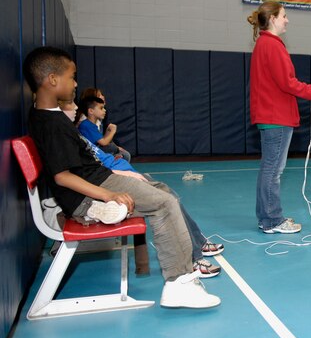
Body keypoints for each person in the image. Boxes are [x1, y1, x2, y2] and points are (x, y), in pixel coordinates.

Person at [24, 46, 220, 309]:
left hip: (101, 178)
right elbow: (62, 177)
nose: (75, 83)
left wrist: (116, 173)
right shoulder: (50, 124)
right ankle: (178, 283)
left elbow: (81, 164)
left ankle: (188, 263)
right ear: (52, 79)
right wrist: (110, 195)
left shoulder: (50, 117)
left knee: (163, 190)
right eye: (72, 77)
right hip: (92, 192)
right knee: (164, 204)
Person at [60, 99, 224, 278]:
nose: (76, 107)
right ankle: (189, 264)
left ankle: (197, 245)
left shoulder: (76, 134)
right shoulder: (69, 132)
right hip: (114, 179)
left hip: (118, 173)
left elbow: (95, 162)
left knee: (170, 195)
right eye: (69, 103)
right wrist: (122, 176)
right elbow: (71, 175)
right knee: (167, 201)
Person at [247, 1, 311, 234]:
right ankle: (272, 220)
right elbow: (289, 84)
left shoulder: (265, 44)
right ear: (273, 18)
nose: (287, 20)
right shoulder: (272, 46)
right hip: (276, 117)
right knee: (273, 171)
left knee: (270, 169)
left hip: (273, 116)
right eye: (284, 16)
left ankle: (267, 217)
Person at [77, 94, 132, 162]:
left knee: (123, 153)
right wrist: (113, 131)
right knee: (116, 150)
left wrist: (108, 131)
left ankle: (115, 159)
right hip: (90, 154)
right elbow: (104, 143)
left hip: (96, 150)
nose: (104, 110)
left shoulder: (92, 124)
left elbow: (102, 140)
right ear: (91, 111)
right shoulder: (86, 125)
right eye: (101, 108)